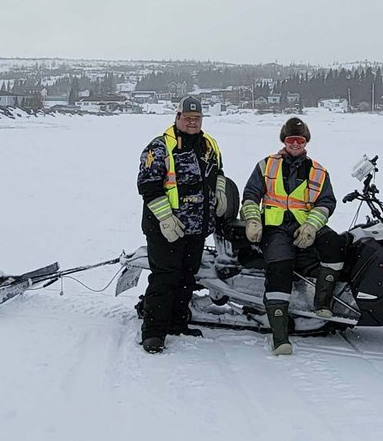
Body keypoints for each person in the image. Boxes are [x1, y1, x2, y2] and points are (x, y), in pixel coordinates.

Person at [239, 116, 343, 355]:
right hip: (275, 228)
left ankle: (322, 302)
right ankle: (280, 336)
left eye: (299, 140)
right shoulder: (266, 165)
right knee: (280, 267)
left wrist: (311, 227)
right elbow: (251, 195)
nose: (295, 144)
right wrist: (253, 220)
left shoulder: (318, 171)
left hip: (305, 225)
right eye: (290, 140)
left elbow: (326, 202)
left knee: (336, 244)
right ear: (283, 141)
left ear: (306, 141)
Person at [135, 95, 227, 353]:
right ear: (177, 118)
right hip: (165, 227)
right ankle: (153, 332)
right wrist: (165, 217)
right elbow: (148, 186)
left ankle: (177, 322)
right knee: (165, 277)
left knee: (187, 276)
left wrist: (219, 193)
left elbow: (219, 173)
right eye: (187, 118)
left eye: (196, 119)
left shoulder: (209, 145)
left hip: (197, 227)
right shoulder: (160, 147)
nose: (192, 123)